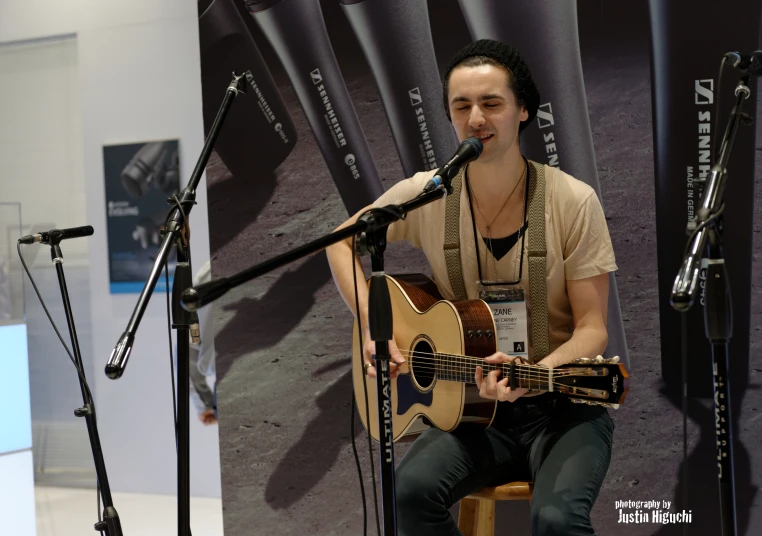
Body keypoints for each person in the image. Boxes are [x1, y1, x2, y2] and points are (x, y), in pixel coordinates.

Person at [326, 39, 617, 535]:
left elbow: (593, 329)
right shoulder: (428, 194)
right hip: (469, 410)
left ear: (523, 109)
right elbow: (340, 241)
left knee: (556, 520)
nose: (476, 117)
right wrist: (378, 330)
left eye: (492, 103)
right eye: (462, 106)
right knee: (408, 496)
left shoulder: (573, 200)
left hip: (562, 405)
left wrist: (537, 372)